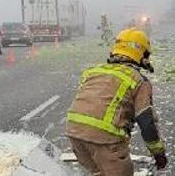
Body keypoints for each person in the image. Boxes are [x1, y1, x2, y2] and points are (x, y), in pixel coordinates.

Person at [65, 29, 167, 174]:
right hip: (104, 141)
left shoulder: (93, 71)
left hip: (75, 134)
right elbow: (147, 122)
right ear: (141, 54)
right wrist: (158, 153)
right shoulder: (138, 81)